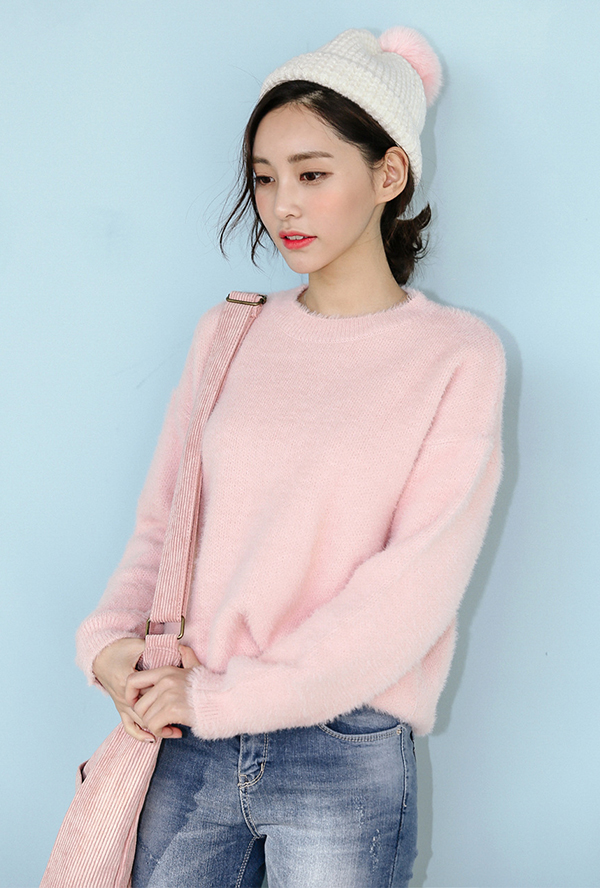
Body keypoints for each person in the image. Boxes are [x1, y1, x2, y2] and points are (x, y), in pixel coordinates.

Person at [77, 26, 506, 888]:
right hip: (187, 733)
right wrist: (110, 646)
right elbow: (165, 525)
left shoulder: (457, 356)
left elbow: (411, 588)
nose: (282, 207)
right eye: (265, 178)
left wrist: (231, 697)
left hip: (340, 747)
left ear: (389, 174)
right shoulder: (229, 331)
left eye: (312, 174)